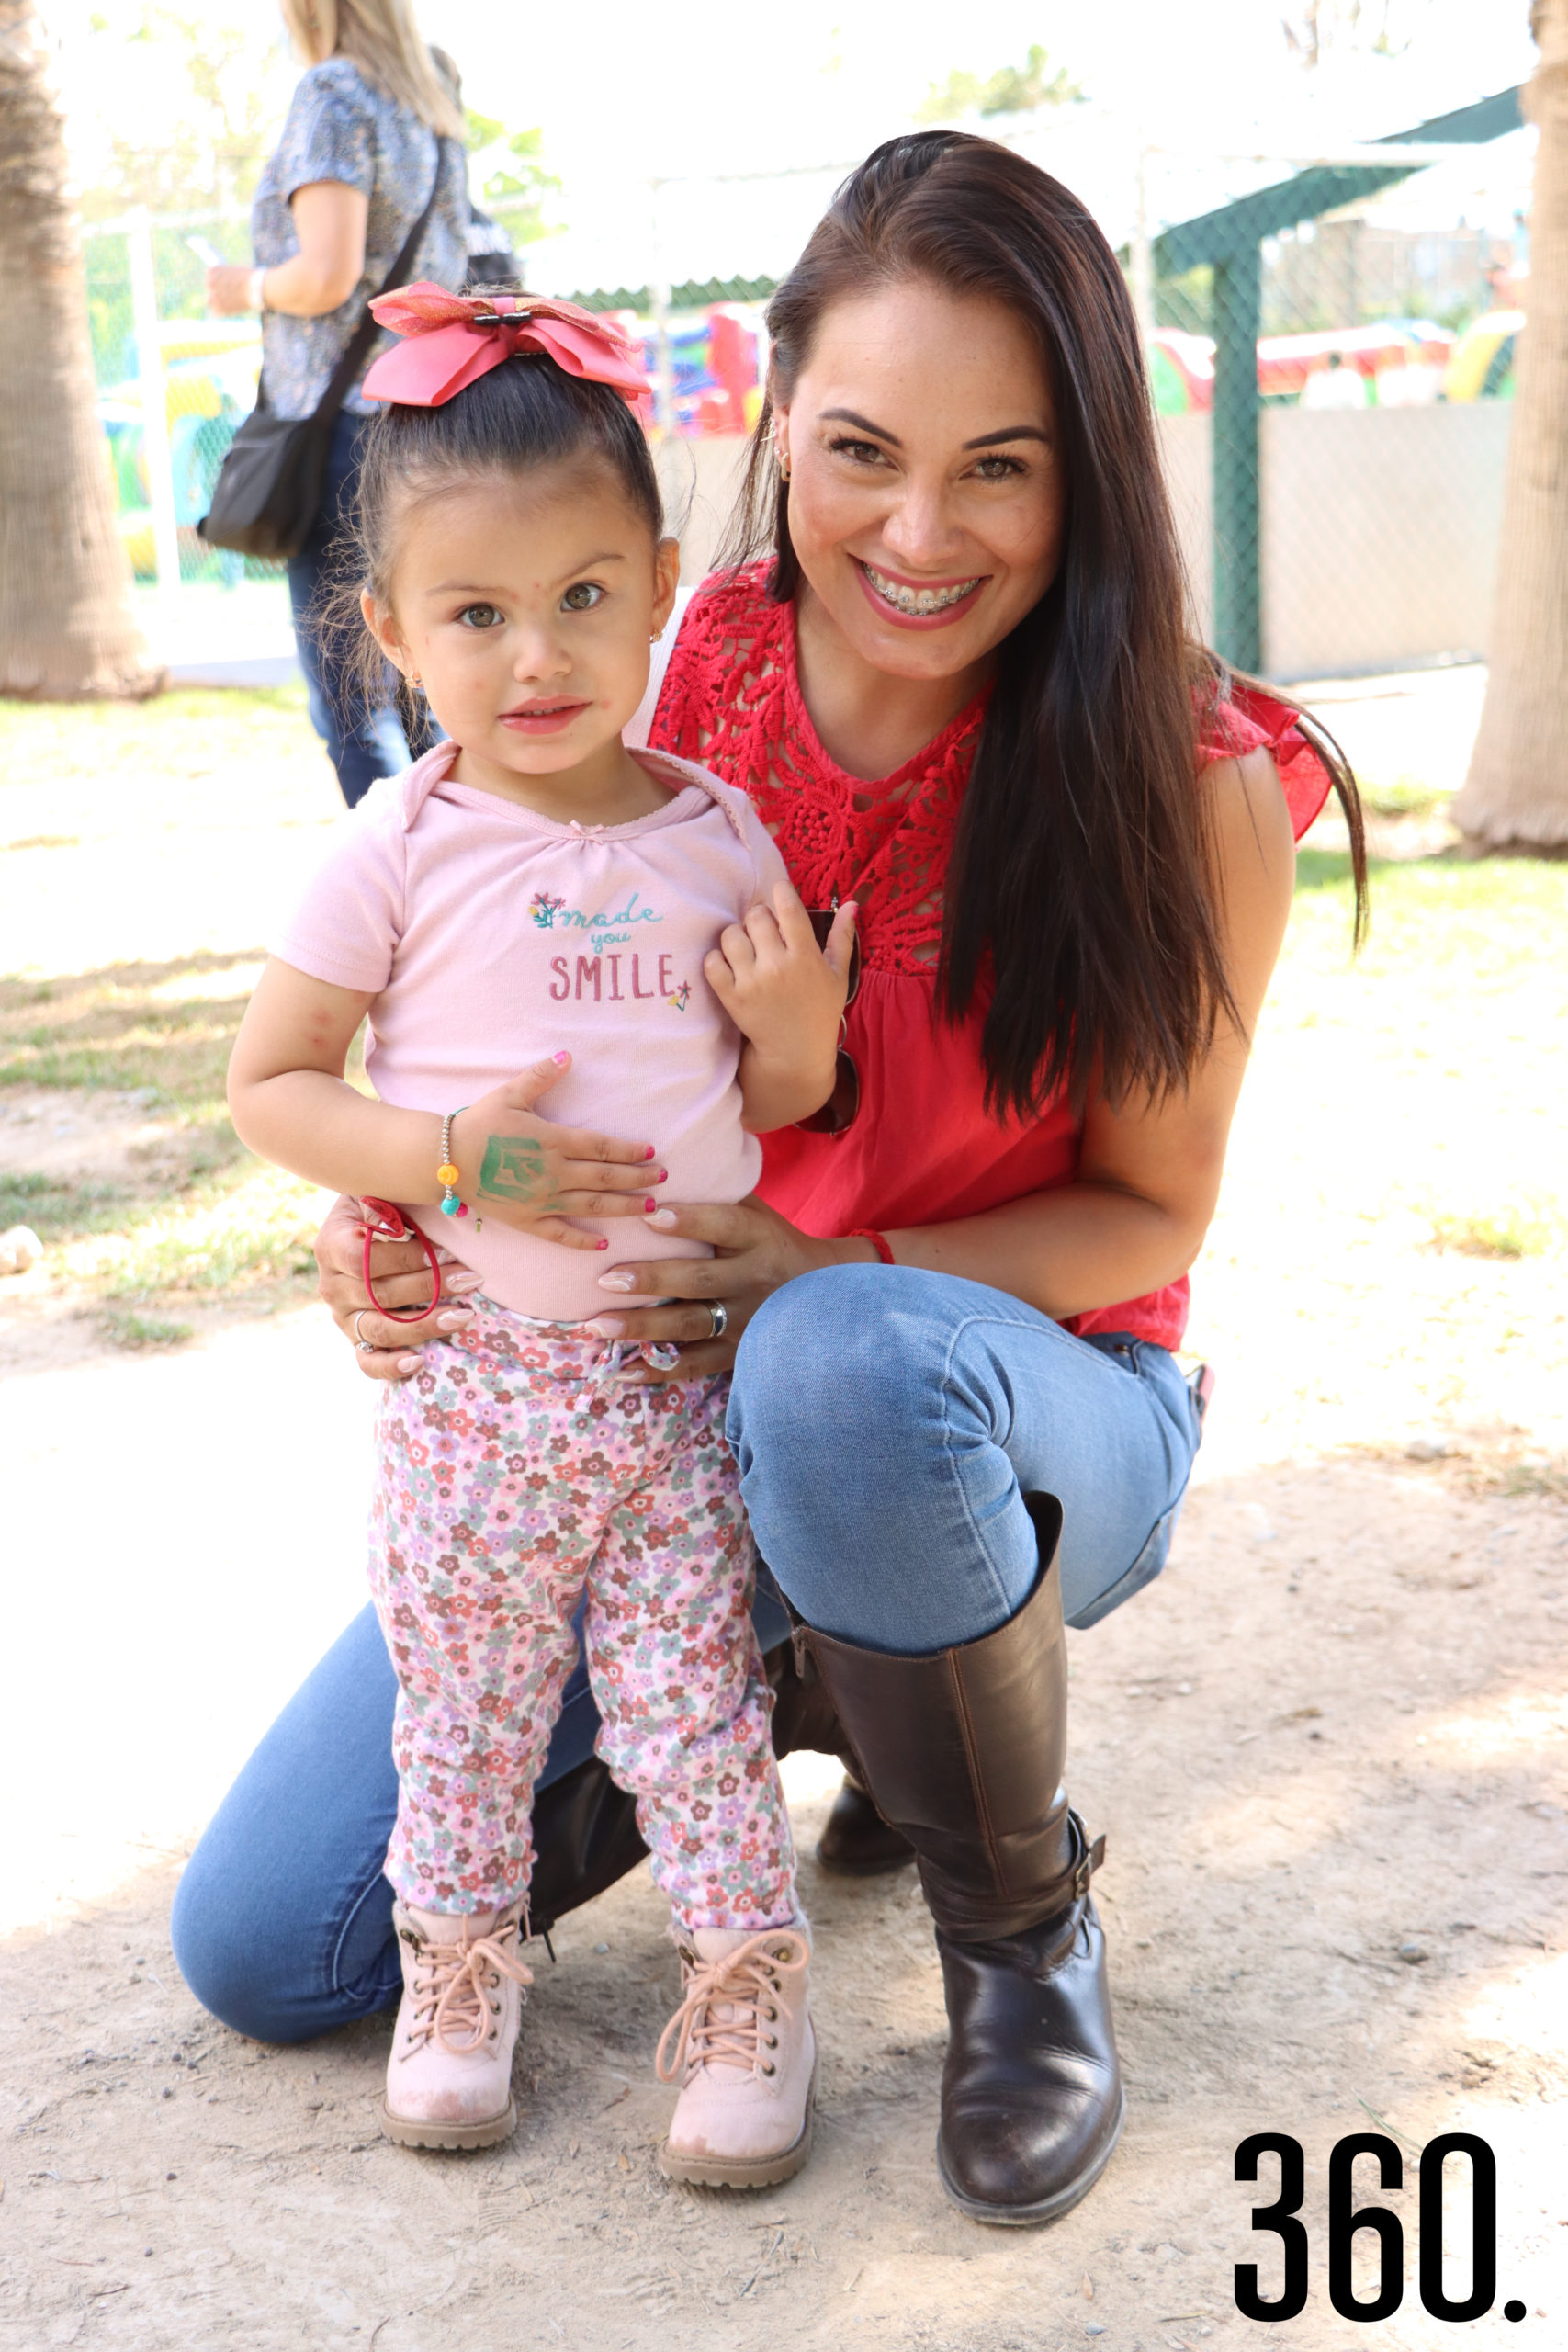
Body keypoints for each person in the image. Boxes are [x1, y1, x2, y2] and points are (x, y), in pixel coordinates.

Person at [175, 133, 1365, 2228]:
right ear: (771, 427)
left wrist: (828, 1263)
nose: (917, 531)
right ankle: (815, 1684)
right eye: (858, 452)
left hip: (1023, 1413)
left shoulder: (1190, 778)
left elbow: (1142, 1224)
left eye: (995, 464)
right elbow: (470, 1023)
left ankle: (1017, 1922)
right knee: (279, 1948)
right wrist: (396, 1215)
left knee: (833, 1362)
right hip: (641, 1423)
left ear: (1083, 468)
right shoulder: (673, 671)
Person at [224, 284, 858, 2177]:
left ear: (661, 578)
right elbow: (274, 1082)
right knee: (469, 1699)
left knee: (686, 1705)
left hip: (671, 1389)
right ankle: (457, 1957)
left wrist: (802, 1037)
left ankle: (747, 1975)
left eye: (583, 595)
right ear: (390, 629)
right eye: (476, 614)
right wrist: (438, 1159)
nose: (535, 655)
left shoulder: (715, 832)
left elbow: (776, 1108)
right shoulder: (397, 848)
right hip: (478, 1391)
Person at [205, 0, 468, 806]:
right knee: (432, 685)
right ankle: (473, 880)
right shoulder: (431, 95)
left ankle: (410, 904)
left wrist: (243, 286)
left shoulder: (332, 93)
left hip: (346, 435)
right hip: (432, 418)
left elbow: (325, 273)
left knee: (356, 701)